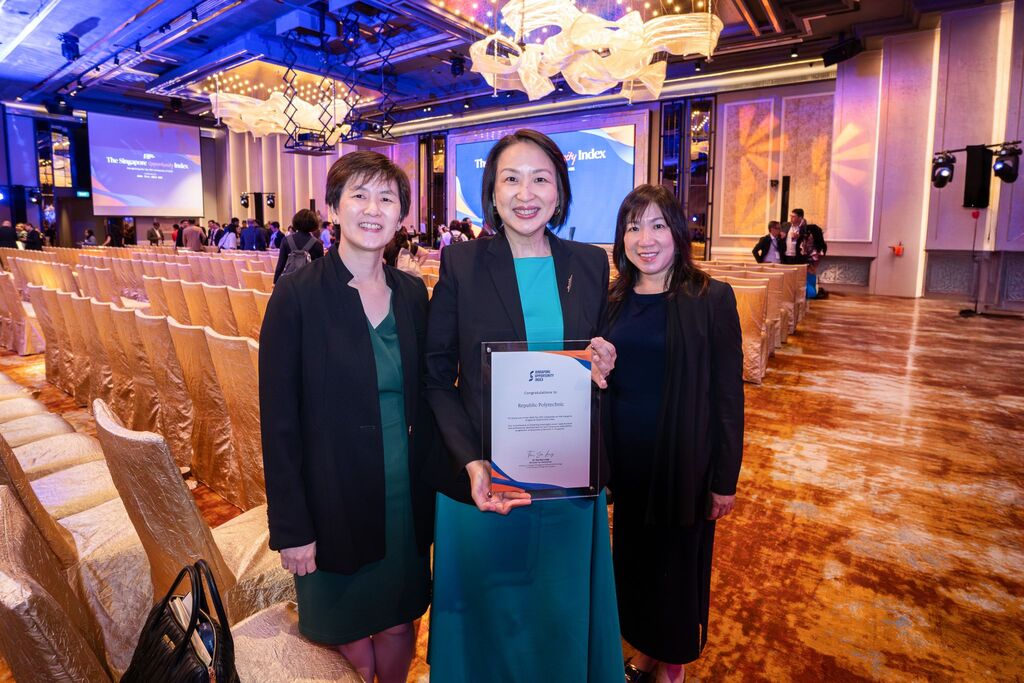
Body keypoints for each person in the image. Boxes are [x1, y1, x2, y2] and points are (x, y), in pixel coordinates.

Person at [424, 128, 622, 681]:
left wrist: (604, 360)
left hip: (567, 485)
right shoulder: (462, 263)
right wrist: (470, 460)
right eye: (511, 178)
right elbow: (437, 378)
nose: (525, 192)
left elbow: (596, 358)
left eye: (541, 179)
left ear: (559, 192)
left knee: (557, 625)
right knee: (490, 634)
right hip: (485, 484)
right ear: (492, 192)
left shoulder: (587, 263)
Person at [260, 151, 438, 683]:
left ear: (401, 216)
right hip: (331, 495)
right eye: (358, 195)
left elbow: (432, 392)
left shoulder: (412, 294)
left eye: (386, 198)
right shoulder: (297, 295)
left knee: (398, 621)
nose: (372, 209)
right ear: (334, 208)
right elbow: (279, 422)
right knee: (345, 633)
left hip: (404, 493)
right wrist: (292, 527)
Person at [605, 184, 744, 683]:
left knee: (677, 573)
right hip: (627, 464)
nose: (645, 238)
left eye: (658, 225)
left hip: (683, 465)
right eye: (633, 226)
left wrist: (724, 479)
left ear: (678, 233)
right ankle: (646, 653)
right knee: (636, 569)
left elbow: (728, 396)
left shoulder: (710, 298)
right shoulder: (615, 300)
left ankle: (672, 668)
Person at [273, 209, 325, 283]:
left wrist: (275, 283)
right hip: (309, 284)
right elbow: (320, 269)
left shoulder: (286, 240)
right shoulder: (317, 244)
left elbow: (280, 265)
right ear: (314, 223)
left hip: (290, 283)